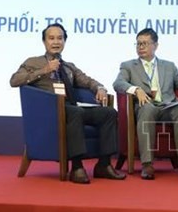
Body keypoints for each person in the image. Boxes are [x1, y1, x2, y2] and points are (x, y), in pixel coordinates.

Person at [10, 22, 126, 184]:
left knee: (108, 113)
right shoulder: (33, 62)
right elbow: (14, 80)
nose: (56, 42)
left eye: (60, 38)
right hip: (50, 113)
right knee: (75, 112)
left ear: (65, 41)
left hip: (71, 109)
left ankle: (104, 165)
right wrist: (44, 70)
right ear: (44, 42)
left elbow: (87, 81)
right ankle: (77, 167)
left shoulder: (69, 67)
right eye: (51, 38)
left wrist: (100, 88)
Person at [113, 28, 178, 180]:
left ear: (155, 45)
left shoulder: (169, 66)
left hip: (168, 106)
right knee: (147, 109)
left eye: (145, 43)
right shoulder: (128, 66)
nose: (141, 47)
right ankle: (147, 164)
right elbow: (118, 83)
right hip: (146, 105)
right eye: (138, 44)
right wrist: (135, 89)